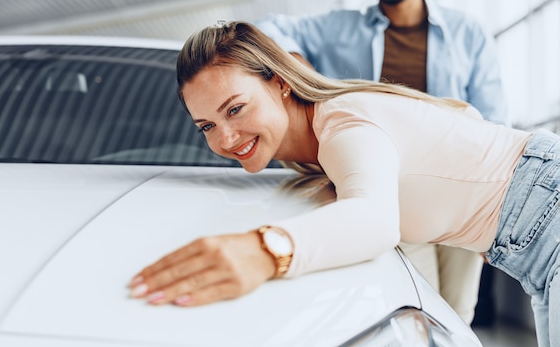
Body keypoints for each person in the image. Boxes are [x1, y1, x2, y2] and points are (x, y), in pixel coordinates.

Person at [128, 21, 560, 347]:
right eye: (206, 125)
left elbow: (374, 221)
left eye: (236, 109)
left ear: (279, 82)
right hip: (533, 253)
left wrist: (261, 249)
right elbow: (466, 123)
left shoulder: (343, 121)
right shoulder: (321, 151)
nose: (224, 138)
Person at [253, 0, 510, 324]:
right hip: (396, 193)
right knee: (417, 308)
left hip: (465, 189)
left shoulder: (466, 33)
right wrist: (295, 61)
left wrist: (502, 210)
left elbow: (493, 120)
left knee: (458, 312)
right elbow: (268, 26)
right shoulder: (342, 28)